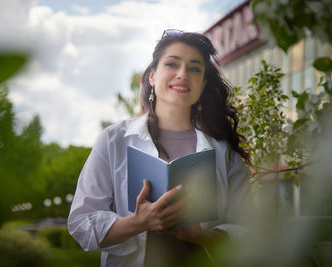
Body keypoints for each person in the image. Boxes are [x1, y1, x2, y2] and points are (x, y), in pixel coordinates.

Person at [68, 30, 252, 267]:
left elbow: (248, 233)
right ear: (153, 77)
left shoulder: (223, 153)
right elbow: (81, 223)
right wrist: (138, 222)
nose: (182, 74)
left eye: (194, 68)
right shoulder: (115, 140)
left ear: (203, 84)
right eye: (172, 64)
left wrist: (198, 234)